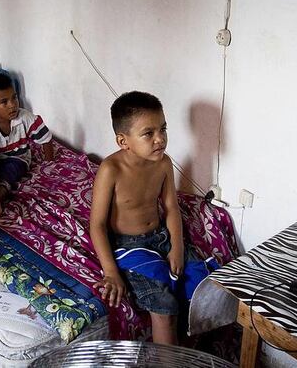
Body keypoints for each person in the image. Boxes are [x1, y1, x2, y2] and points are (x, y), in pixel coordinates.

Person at [90, 91, 214, 345]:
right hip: (129, 246)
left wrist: (177, 247)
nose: (160, 139)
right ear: (123, 141)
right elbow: (98, 225)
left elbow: (171, 208)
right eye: (149, 133)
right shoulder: (111, 169)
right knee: (163, 304)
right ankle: (167, 360)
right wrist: (111, 271)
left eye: (163, 129)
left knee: (205, 284)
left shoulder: (163, 164)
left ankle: (195, 353)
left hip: (161, 237)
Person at [0, 73, 54, 221]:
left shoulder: (27, 118)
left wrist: (49, 163)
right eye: (4, 102)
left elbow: (46, 139)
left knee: (12, 172)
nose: (13, 104)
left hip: (17, 157)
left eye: (14, 97)